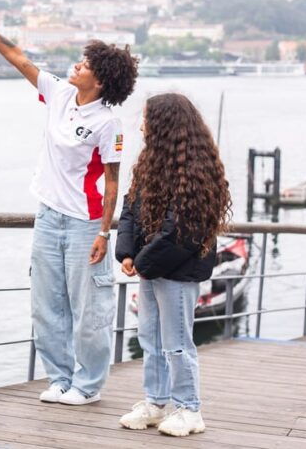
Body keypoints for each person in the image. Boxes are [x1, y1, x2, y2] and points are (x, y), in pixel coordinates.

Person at [0, 0, 138, 405]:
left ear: (101, 79)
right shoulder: (59, 95)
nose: (77, 65)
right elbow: (16, 56)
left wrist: (105, 232)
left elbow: (112, 184)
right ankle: (60, 378)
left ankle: (88, 387)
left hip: (87, 223)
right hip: (49, 216)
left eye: (86, 65)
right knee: (46, 304)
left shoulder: (108, 123)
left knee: (89, 311)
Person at [115, 93, 231, 436]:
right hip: (151, 268)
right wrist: (127, 253)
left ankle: (189, 409)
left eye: (147, 119)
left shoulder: (196, 171)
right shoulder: (151, 163)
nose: (141, 125)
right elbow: (130, 210)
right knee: (149, 338)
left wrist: (144, 262)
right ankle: (155, 402)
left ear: (165, 125)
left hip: (178, 272)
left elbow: (183, 230)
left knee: (178, 343)